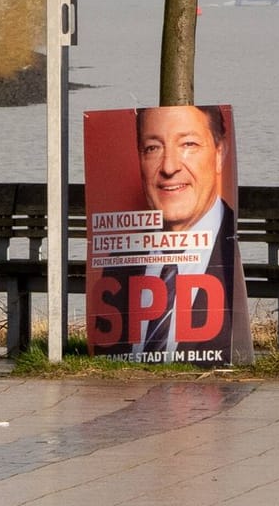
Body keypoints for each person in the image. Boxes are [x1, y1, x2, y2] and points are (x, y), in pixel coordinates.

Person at [90, 105, 249, 365]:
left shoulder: (234, 246)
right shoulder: (121, 256)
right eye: (153, 148)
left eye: (188, 144)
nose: (169, 167)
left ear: (220, 153)